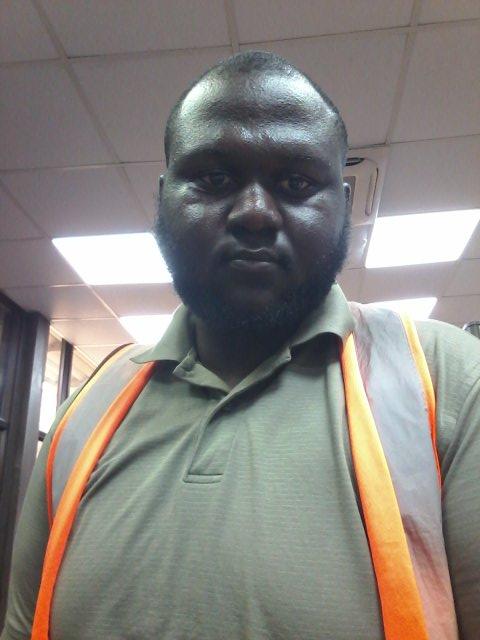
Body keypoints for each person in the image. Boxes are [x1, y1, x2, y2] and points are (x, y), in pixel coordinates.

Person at [1, 51, 479, 640]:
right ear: (164, 198)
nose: (255, 214)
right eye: (214, 178)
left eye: (296, 183)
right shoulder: (86, 410)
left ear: (343, 206)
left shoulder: (451, 383)